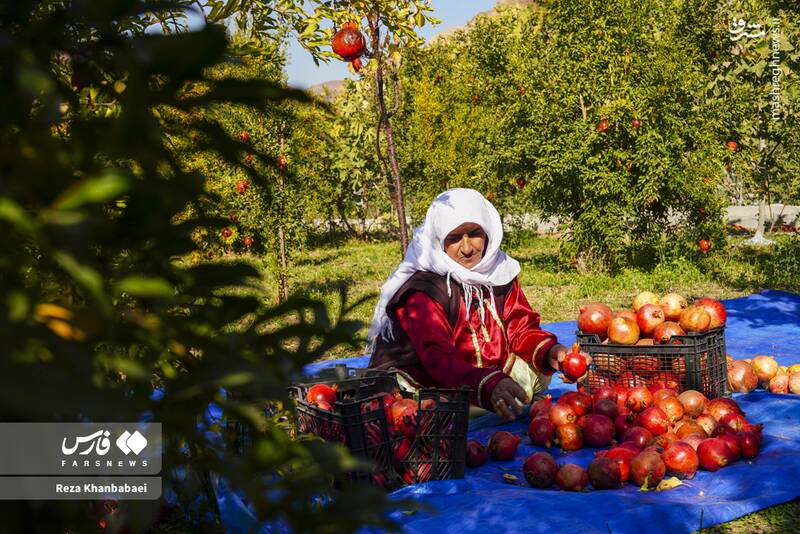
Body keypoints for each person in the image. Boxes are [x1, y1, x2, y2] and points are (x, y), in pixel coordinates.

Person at [367, 188, 588, 421]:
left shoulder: (498, 272)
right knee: (427, 411)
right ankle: (482, 407)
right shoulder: (423, 290)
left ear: (488, 232)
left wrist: (551, 352)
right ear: (439, 240)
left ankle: (493, 403)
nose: (467, 248)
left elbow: (520, 328)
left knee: (539, 372)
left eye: (474, 233)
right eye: (454, 238)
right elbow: (438, 359)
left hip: (484, 375)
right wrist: (486, 386)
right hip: (433, 381)